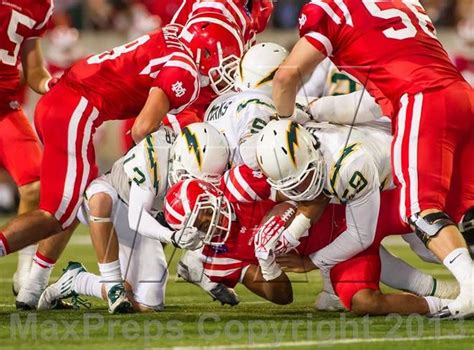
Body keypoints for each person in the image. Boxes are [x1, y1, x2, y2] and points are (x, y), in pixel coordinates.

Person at [272, 0, 474, 318]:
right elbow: (378, 98)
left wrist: (282, 126)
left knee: (419, 210)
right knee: (458, 215)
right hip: (462, 95)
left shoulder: (329, 9)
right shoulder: (405, 3)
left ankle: (470, 291)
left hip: (422, 99)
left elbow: (285, 77)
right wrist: (315, 110)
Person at [0, 16, 243, 265]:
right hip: (76, 109)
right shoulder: (186, 72)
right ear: (205, 51)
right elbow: (142, 129)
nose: (227, 68)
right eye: (225, 58)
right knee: (56, 215)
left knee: (76, 200)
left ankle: (33, 287)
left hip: (67, 102)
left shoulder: (173, 36)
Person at [0, 0, 59, 298]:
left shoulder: (40, 5)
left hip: (5, 109)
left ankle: (25, 272)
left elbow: (34, 68)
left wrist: (50, 84)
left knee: (36, 186)